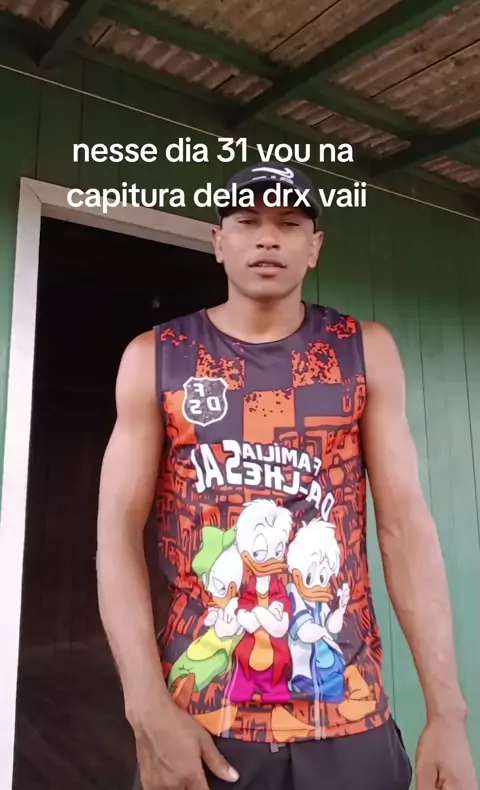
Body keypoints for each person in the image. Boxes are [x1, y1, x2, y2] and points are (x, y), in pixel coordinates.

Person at [96, 162, 477, 790]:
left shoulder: (362, 350)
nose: (267, 238)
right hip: (203, 716)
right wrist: (145, 708)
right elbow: (115, 536)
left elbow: (405, 531)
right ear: (219, 241)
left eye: (289, 223)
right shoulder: (156, 358)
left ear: (314, 246)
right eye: (247, 221)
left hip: (347, 712)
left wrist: (448, 713)